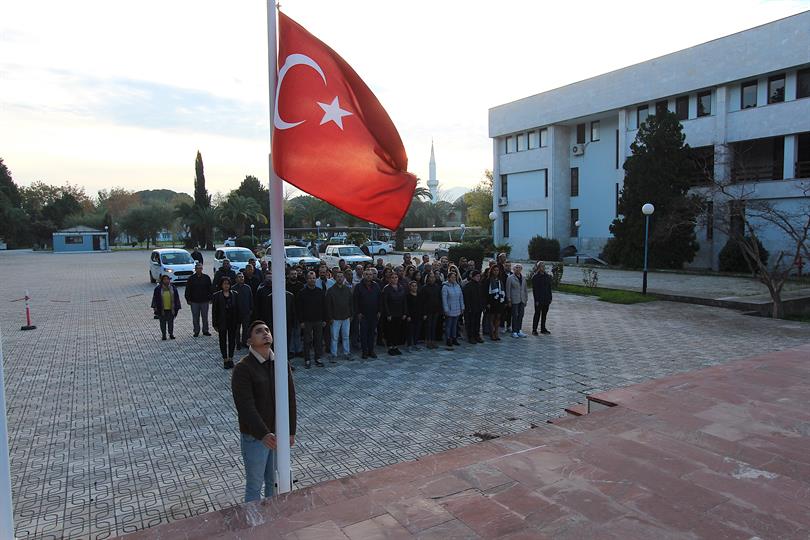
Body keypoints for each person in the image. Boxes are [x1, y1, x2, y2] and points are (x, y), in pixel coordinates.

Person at [231, 320, 296, 503]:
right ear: (249, 341)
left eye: (267, 330)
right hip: (255, 438)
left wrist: (290, 431)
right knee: (254, 485)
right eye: (259, 331)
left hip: (278, 435)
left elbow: (290, 398)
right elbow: (245, 406)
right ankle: (253, 523)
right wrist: (263, 433)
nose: (265, 333)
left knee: (273, 482)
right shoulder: (243, 368)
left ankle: (272, 522)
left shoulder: (280, 363)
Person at [297, 271, 327, 368]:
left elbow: (324, 307)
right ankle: (307, 359)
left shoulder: (320, 292)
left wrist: (324, 319)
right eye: (310, 278)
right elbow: (299, 308)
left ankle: (318, 358)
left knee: (318, 340)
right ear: (306, 280)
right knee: (307, 341)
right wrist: (301, 321)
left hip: (318, 320)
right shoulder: (302, 292)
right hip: (307, 321)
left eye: (313, 278)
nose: (312, 280)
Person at [212, 277, 240, 368]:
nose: (226, 285)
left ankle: (231, 358)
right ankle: (225, 359)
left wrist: (238, 321)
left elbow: (238, 309)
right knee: (222, 341)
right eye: (224, 284)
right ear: (221, 285)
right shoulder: (217, 296)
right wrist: (214, 323)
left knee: (232, 340)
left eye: (228, 284)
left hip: (232, 321)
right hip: (222, 322)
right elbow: (214, 311)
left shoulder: (235, 294)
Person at [353, 268, 381, 359]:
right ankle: (364, 352)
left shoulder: (376, 286)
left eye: (370, 274)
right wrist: (358, 313)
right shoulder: (358, 286)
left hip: (373, 314)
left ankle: (371, 350)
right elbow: (355, 301)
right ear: (364, 275)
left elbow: (379, 300)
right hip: (363, 314)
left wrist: (379, 311)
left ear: (373, 276)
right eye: (367, 274)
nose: (369, 276)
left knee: (372, 334)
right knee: (364, 334)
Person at [326, 271, 353, 362]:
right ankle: (333, 354)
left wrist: (351, 314)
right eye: (338, 277)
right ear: (335, 278)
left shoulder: (347, 289)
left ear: (344, 278)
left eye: (341, 276)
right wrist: (330, 318)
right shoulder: (330, 290)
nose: (340, 278)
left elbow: (351, 303)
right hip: (335, 318)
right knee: (334, 337)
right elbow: (328, 306)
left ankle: (347, 353)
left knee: (346, 336)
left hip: (346, 317)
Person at [381, 273, 407, 356]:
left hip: (399, 312)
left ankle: (395, 346)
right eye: (392, 277)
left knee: (397, 331)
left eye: (396, 277)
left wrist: (404, 312)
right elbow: (385, 302)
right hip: (390, 313)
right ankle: (390, 347)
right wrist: (388, 314)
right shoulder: (386, 288)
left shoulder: (401, 287)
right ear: (389, 279)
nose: (394, 279)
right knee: (390, 331)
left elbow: (404, 301)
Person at [185, 263, 212, 337]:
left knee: (205, 317)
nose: (199, 270)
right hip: (194, 301)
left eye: (200, 268)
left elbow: (210, 289)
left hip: (204, 301)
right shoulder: (191, 278)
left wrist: (210, 298)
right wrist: (188, 299)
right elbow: (188, 289)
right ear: (195, 269)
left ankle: (205, 330)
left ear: (202, 269)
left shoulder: (206, 278)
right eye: (197, 268)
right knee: (195, 317)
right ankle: (196, 331)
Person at [151, 274, 181, 340]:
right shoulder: (158, 289)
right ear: (162, 281)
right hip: (161, 309)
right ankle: (164, 335)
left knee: (171, 323)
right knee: (162, 323)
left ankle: (171, 334)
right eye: (164, 279)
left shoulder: (173, 288)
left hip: (171, 309)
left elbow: (177, 298)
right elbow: (155, 299)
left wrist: (177, 307)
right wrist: (154, 307)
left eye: (167, 279)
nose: (166, 281)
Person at [419, 271, 442, 349]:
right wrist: (424, 313)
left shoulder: (437, 287)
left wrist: (439, 309)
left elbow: (439, 299)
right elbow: (422, 302)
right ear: (427, 278)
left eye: (433, 277)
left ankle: (433, 340)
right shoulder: (424, 288)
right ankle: (428, 341)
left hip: (435, 310)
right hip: (428, 311)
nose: (432, 279)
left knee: (434, 326)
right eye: (430, 277)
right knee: (428, 326)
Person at [441, 272, 464, 349]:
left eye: (455, 277)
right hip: (450, 309)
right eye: (452, 277)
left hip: (457, 308)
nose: (454, 278)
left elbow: (461, 297)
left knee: (455, 325)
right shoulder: (445, 287)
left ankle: (454, 338)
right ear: (448, 278)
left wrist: (462, 307)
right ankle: (448, 338)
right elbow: (444, 299)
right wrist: (446, 309)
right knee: (449, 325)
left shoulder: (458, 286)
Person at [506, 263, 529, 338]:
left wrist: (526, 299)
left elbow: (525, 289)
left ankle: (519, 330)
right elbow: (508, 289)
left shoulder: (523, 278)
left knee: (521, 315)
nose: (518, 269)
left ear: (521, 269)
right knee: (515, 315)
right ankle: (514, 331)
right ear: (513, 269)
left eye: (519, 267)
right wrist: (509, 299)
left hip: (522, 299)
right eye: (516, 267)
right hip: (514, 299)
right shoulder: (510, 278)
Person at [233, 273, 255, 350]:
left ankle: (245, 342)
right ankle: (237, 343)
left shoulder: (247, 287)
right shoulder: (233, 288)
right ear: (236, 279)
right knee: (237, 330)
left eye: (242, 277)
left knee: (246, 329)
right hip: (236, 313)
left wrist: (251, 309)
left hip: (246, 312)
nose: (241, 278)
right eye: (239, 277)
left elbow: (251, 298)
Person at [485, 266, 507, 341]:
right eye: (494, 270)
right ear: (492, 271)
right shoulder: (488, 280)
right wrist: (487, 303)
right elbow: (485, 293)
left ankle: (496, 333)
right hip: (491, 302)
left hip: (499, 301)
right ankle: (492, 333)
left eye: (497, 270)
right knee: (491, 318)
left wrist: (504, 301)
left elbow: (503, 291)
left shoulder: (500, 280)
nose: (496, 272)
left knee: (498, 317)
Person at [463, 270, 484, 344]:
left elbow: (481, 297)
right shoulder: (468, 286)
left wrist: (482, 306)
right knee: (470, 323)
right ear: (473, 277)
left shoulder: (479, 285)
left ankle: (477, 335)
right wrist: (468, 308)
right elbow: (466, 299)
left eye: (479, 276)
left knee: (477, 322)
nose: (478, 278)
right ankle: (470, 337)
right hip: (470, 308)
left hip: (478, 308)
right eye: (477, 276)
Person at [531, 262, 553, 335]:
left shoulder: (547, 276)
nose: (543, 267)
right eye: (541, 266)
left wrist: (550, 297)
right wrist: (536, 300)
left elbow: (549, 288)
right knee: (537, 314)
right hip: (539, 299)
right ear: (538, 267)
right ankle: (534, 329)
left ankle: (543, 329)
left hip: (546, 298)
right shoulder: (535, 277)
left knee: (544, 314)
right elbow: (535, 290)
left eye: (544, 266)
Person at [405, 280, 424, 352]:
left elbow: (422, 305)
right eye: (412, 286)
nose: (414, 287)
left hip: (418, 315)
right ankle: (409, 345)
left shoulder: (419, 295)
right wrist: (408, 315)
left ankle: (415, 344)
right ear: (410, 287)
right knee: (410, 331)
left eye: (415, 286)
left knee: (417, 331)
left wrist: (423, 314)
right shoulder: (407, 296)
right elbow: (406, 307)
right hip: (410, 317)